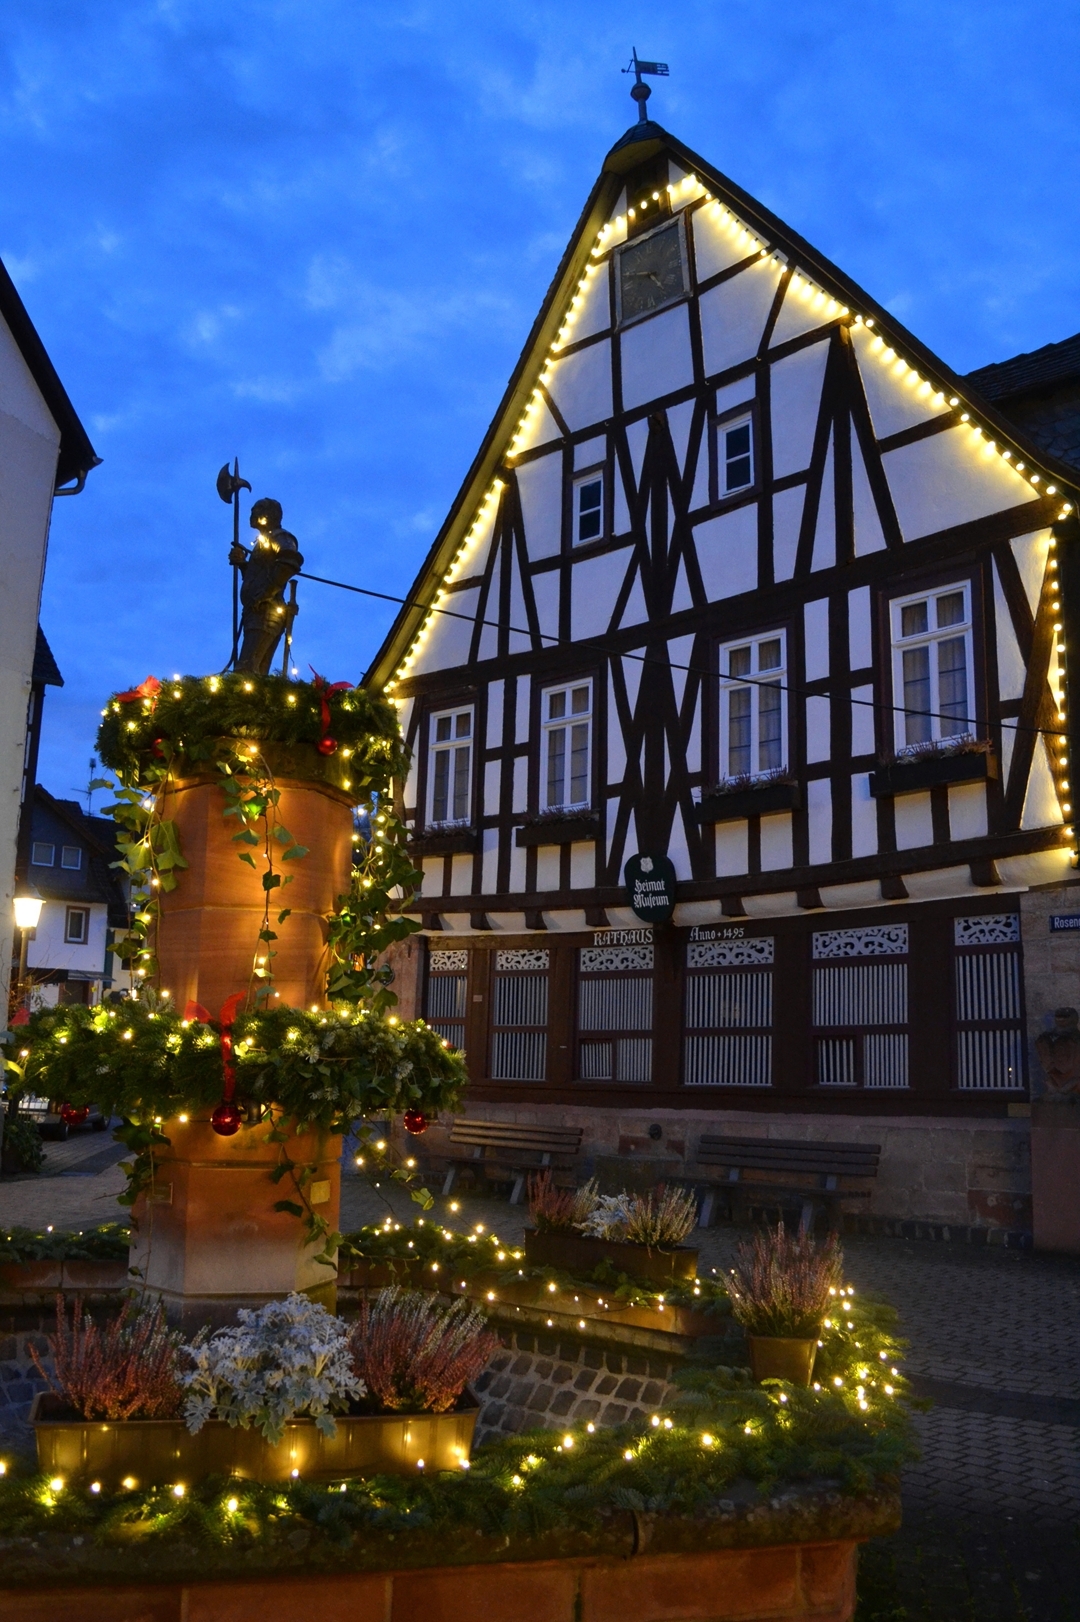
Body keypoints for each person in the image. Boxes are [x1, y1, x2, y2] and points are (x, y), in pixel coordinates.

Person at [229, 498, 302, 674]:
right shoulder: (262, 542)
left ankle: (240, 700)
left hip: (266, 610)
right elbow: (259, 575)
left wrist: (265, 593)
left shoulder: (279, 537)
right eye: (252, 509)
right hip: (257, 610)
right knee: (257, 669)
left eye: (258, 509)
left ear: (270, 514)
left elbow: (289, 562)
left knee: (246, 667)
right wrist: (242, 564)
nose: (253, 513)